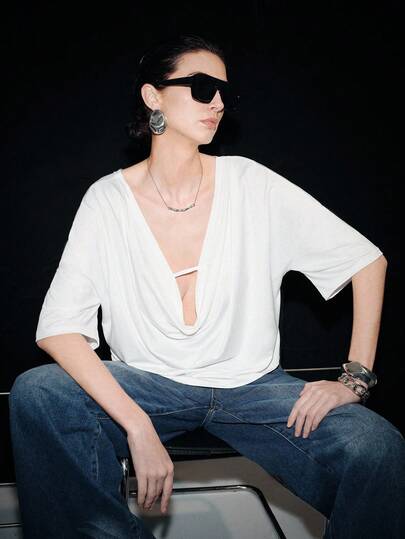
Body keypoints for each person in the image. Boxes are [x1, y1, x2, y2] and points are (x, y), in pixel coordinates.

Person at [9, 33, 405, 539]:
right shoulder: (107, 200)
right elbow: (59, 329)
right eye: (201, 87)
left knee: (376, 447)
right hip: (149, 385)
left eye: (225, 92)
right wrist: (137, 424)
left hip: (255, 390)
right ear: (153, 96)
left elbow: (366, 262)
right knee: (39, 393)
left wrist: (354, 379)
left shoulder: (250, 183)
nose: (217, 102)